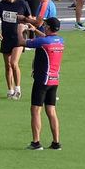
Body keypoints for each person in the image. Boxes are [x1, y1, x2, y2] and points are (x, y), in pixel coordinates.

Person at [25, 17, 64, 151]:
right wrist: (35, 30)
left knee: (36, 110)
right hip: (54, 80)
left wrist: (20, 31)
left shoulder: (43, 42)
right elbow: (46, 40)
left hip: (42, 80)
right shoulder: (60, 41)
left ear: (47, 27)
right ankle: (56, 142)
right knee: (51, 111)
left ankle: (36, 142)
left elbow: (21, 42)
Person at [0, 0, 28, 99]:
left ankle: (18, 89)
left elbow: (30, 18)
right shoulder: (1, 5)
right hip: (6, 38)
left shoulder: (22, 4)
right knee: (7, 65)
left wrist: (26, 29)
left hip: (18, 38)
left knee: (13, 63)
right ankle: (10, 90)